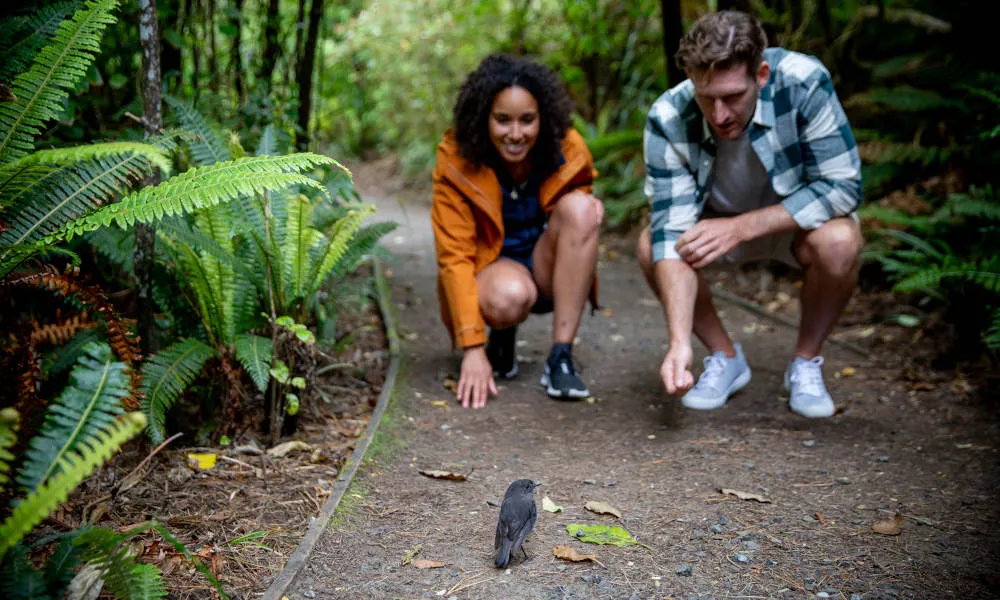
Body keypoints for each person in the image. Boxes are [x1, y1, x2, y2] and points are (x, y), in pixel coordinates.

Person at [637, 10, 863, 418]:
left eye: (732, 97)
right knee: (648, 244)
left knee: (841, 241)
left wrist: (742, 227)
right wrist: (678, 342)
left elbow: (842, 187)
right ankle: (723, 357)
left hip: (793, 226)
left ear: (760, 74)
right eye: (707, 98)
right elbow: (670, 230)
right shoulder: (668, 115)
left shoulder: (804, 81)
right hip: (713, 227)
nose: (720, 114)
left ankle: (805, 362)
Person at [431, 53, 603, 409]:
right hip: (493, 272)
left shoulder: (567, 150)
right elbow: (454, 258)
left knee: (584, 208)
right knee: (508, 296)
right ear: (483, 118)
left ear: (543, 117)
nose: (515, 134)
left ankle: (561, 356)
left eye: (527, 120)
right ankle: (499, 338)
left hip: (544, 265)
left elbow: (577, 228)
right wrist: (472, 347)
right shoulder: (456, 161)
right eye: (502, 120)